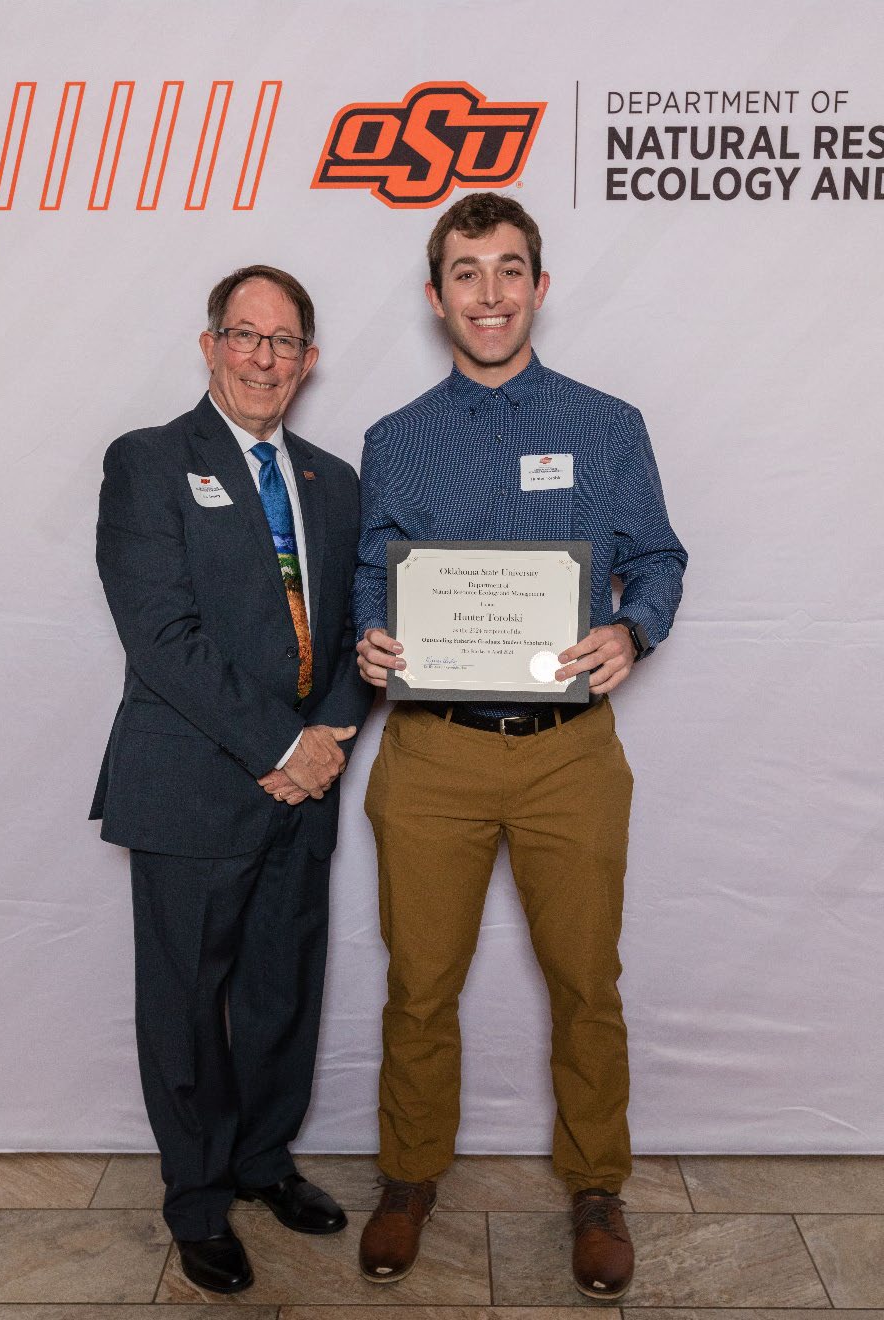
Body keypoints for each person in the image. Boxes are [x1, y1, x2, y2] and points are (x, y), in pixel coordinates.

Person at [353, 193, 687, 1299]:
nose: (487, 293)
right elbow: (372, 574)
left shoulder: (607, 424)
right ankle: (408, 1179)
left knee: (586, 981)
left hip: (567, 754)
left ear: (538, 287)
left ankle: (596, 1189)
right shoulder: (395, 440)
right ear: (435, 293)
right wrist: (371, 637)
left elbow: (660, 558)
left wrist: (632, 626)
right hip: (434, 755)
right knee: (420, 985)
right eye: (465, 272)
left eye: (507, 270)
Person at [90, 265, 372, 1294]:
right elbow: (162, 638)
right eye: (244, 335)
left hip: (307, 787)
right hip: (193, 786)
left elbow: (354, 626)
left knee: (279, 991)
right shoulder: (150, 463)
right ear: (209, 345)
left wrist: (331, 729)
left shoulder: (336, 483)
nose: (264, 357)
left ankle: (261, 1162)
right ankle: (198, 1198)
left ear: (308, 359)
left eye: (284, 340)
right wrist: (281, 746)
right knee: (185, 1003)